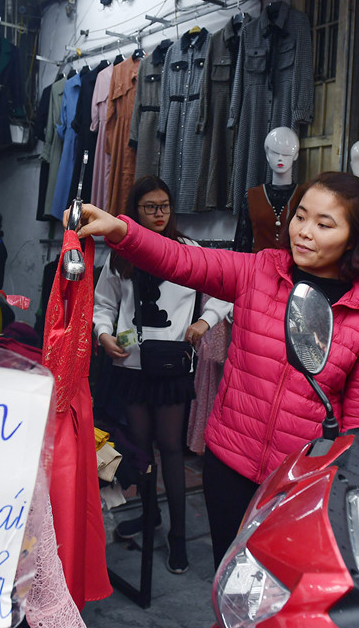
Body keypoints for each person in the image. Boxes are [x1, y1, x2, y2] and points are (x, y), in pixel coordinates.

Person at [71, 170, 359, 569]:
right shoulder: (260, 271)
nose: (304, 232)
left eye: (324, 224)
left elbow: (358, 433)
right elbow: (181, 260)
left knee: (277, 586)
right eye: (300, 216)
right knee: (227, 575)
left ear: (354, 237)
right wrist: (123, 231)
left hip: (300, 483)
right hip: (228, 466)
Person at [93, 175, 232, 575]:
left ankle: (178, 535)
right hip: (131, 364)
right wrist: (103, 335)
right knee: (140, 449)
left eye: (164, 206)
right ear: (134, 211)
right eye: (150, 207)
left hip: (172, 366)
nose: (158, 214)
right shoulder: (121, 255)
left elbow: (221, 292)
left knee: (171, 448)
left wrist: (205, 322)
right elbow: (103, 305)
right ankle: (150, 517)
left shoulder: (188, 250)